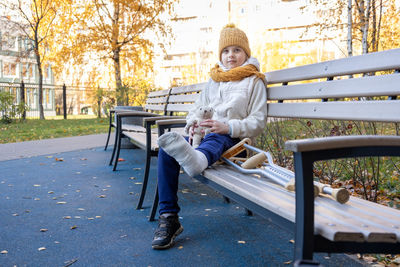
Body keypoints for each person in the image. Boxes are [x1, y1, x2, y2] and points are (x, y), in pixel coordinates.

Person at [152, 24, 268, 250]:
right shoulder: (214, 80)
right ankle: (169, 218)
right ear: (220, 55)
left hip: (235, 142)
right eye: (226, 51)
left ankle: (196, 161)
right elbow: (197, 109)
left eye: (236, 50)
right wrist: (193, 124)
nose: (231, 55)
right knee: (167, 151)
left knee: (215, 138)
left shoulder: (254, 80)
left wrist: (227, 126)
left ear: (246, 53)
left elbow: (258, 122)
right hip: (203, 138)